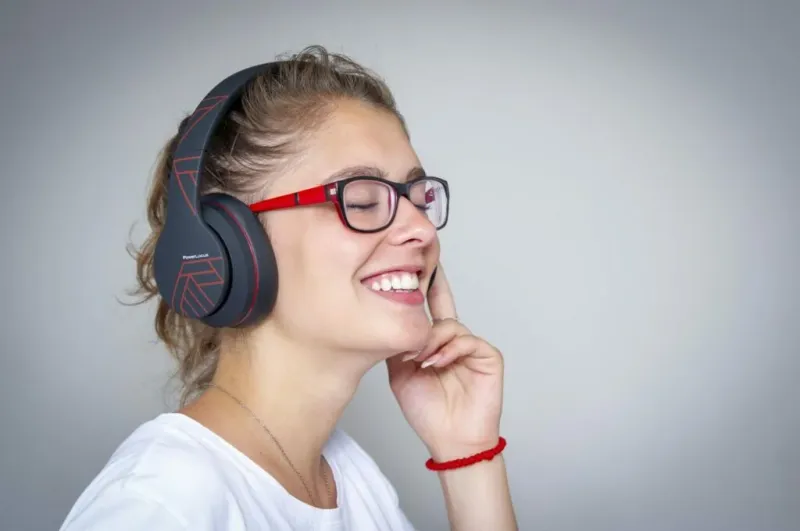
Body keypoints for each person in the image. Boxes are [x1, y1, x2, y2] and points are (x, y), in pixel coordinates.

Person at [60, 45, 517, 530]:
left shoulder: (352, 477)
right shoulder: (161, 502)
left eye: (419, 199)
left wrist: (467, 451)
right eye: (362, 200)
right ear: (226, 244)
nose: (422, 230)